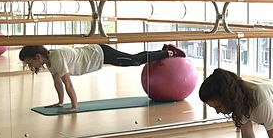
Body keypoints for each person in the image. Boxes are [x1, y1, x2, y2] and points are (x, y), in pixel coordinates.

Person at [19, 43, 186, 113]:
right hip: (96, 53)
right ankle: (165, 50)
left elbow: (67, 83)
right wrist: (60, 102)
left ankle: (169, 52)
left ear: (38, 56)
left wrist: (74, 106)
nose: (30, 66)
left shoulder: (56, 58)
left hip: (100, 53)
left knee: (134, 60)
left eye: (29, 62)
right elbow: (57, 82)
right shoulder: (50, 61)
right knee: (133, 60)